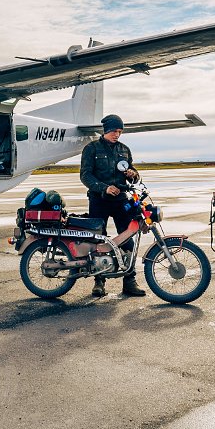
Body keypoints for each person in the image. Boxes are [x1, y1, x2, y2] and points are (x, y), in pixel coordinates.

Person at [80, 114, 146, 297]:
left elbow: (133, 173)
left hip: (120, 201)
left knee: (128, 239)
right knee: (98, 241)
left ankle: (129, 281)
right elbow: (85, 175)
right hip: (99, 200)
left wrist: (133, 175)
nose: (117, 134)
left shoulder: (124, 150)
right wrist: (104, 188)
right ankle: (99, 282)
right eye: (114, 131)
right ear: (105, 130)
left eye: (120, 131)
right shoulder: (91, 148)